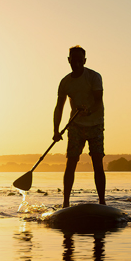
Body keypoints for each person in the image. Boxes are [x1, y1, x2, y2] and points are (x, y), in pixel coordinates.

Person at [53, 46, 105, 207]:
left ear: (84, 61)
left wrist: (89, 111)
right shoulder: (65, 82)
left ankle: (102, 202)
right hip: (75, 125)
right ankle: (65, 203)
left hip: (95, 124)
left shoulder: (94, 77)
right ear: (68, 60)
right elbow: (59, 107)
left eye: (79, 60)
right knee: (71, 162)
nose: (76, 63)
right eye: (73, 60)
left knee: (97, 162)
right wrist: (56, 130)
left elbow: (98, 101)